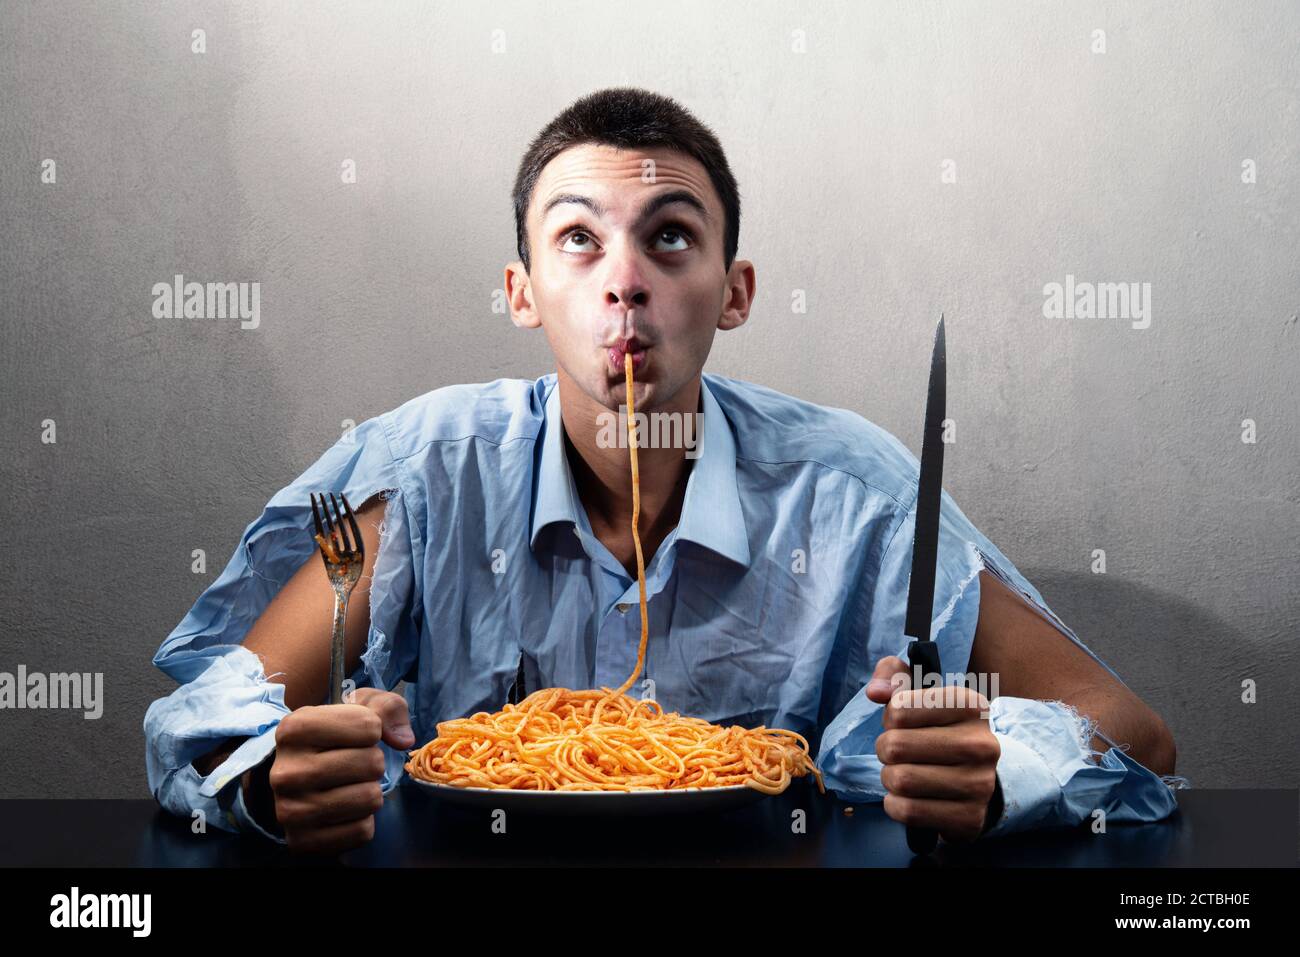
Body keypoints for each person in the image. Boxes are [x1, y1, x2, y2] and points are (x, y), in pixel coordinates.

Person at [145, 87, 1182, 854]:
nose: (626, 285)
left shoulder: (853, 495)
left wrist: (1000, 774)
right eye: (579, 242)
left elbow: (1131, 735)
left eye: (670, 240)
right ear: (521, 291)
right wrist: (260, 784)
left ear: (734, 292)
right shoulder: (427, 475)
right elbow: (201, 726)